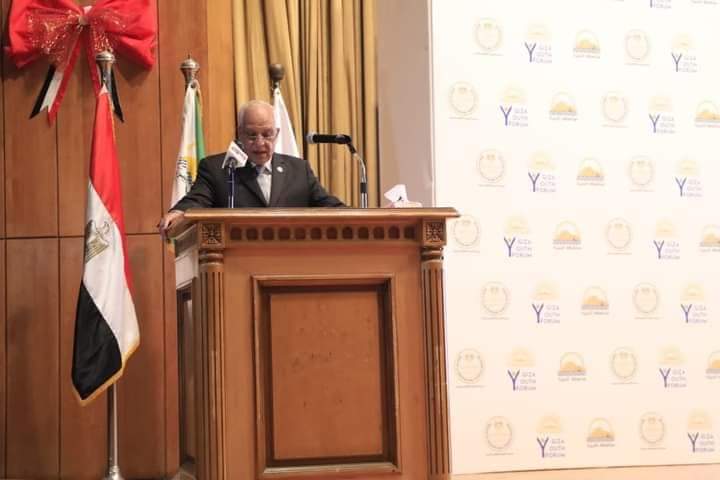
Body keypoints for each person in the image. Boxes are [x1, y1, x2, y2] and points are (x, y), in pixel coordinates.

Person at [159, 100, 343, 234]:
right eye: (252, 135)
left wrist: (352, 215)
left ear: (277, 133)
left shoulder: (299, 170)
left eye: (267, 134)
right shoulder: (217, 169)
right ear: (240, 133)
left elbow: (327, 205)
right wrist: (178, 212)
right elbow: (197, 199)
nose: (260, 143)